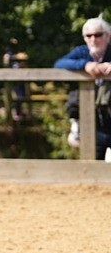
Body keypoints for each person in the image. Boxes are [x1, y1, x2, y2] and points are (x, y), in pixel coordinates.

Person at [54, 17, 111, 160]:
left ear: (107, 36)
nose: (93, 39)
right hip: (91, 117)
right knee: (92, 160)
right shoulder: (82, 52)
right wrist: (85, 65)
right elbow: (59, 64)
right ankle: (76, 128)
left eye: (98, 35)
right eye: (88, 36)